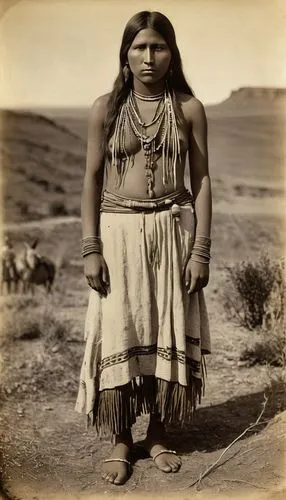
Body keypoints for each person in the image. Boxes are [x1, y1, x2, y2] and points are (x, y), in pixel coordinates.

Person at [76, 10, 212, 486]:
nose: (148, 57)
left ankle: (156, 432)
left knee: (164, 327)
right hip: (118, 233)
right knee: (120, 328)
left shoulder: (188, 108)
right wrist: (91, 246)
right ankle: (119, 437)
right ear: (125, 53)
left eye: (158, 46)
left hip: (171, 232)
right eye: (139, 47)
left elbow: (202, 181)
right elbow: (92, 178)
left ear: (171, 52)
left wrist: (201, 251)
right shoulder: (105, 108)